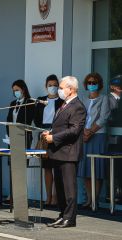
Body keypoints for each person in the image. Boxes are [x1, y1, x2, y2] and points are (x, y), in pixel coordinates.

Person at [42, 76, 86, 228]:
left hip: (68, 153)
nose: (59, 90)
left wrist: (54, 137)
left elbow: (74, 130)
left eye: (61, 87)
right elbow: (61, 126)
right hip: (58, 152)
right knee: (60, 187)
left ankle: (70, 218)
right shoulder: (64, 104)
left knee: (69, 188)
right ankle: (63, 214)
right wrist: (49, 133)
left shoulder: (77, 106)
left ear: (71, 89)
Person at [77, 73, 110, 208]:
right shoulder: (83, 99)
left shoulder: (104, 99)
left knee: (97, 169)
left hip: (98, 136)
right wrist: (84, 132)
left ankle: (95, 201)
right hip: (84, 136)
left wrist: (90, 131)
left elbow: (103, 118)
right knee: (86, 169)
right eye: (89, 82)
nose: (91, 84)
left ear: (99, 84)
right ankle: (89, 200)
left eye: (94, 82)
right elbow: (80, 117)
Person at [34, 74, 64, 206]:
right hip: (43, 134)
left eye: (55, 85)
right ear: (46, 87)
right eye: (50, 85)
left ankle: (56, 196)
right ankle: (48, 197)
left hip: (56, 134)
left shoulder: (62, 101)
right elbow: (36, 118)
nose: (52, 87)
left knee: (57, 167)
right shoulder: (41, 100)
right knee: (47, 168)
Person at [6, 79, 35, 147]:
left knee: (22, 157)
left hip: (24, 136)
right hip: (12, 135)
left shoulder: (29, 102)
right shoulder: (13, 103)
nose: (15, 92)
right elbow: (8, 120)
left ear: (23, 89)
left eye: (17, 90)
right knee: (12, 157)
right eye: (14, 91)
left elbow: (28, 120)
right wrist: (9, 134)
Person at [108, 75, 122, 203]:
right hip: (113, 139)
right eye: (117, 85)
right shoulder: (108, 100)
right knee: (114, 167)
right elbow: (109, 118)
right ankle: (114, 193)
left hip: (120, 138)